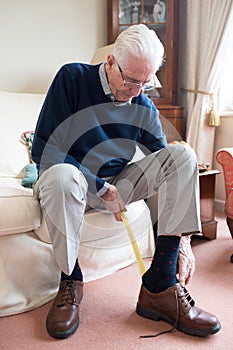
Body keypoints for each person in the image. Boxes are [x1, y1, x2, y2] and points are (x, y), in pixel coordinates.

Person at [31, 24, 221, 339]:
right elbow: (44, 150)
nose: (136, 91)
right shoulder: (72, 78)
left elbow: (171, 173)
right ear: (110, 62)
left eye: (145, 83)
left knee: (183, 156)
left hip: (117, 182)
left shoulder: (142, 105)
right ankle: (70, 281)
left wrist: (184, 240)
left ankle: (159, 287)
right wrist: (100, 187)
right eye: (131, 80)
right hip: (68, 177)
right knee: (65, 177)